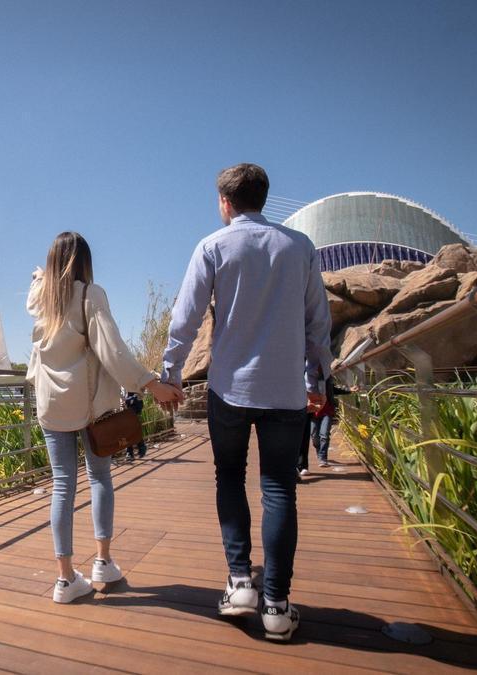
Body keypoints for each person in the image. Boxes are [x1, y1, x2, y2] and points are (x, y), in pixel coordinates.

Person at [160, 164, 331, 642]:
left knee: (229, 477)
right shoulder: (300, 247)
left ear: (225, 202)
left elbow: (185, 317)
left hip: (230, 390)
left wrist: (171, 374)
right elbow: (318, 320)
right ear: (264, 199)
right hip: (285, 391)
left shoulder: (212, 247)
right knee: (279, 489)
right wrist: (317, 377)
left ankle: (240, 584)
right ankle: (276, 605)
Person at [26, 231, 184, 604]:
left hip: (51, 406)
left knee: (63, 486)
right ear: (83, 261)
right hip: (87, 406)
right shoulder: (89, 296)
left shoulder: (39, 299)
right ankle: (102, 562)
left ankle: (64, 580)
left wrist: (40, 278)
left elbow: (39, 289)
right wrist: (150, 384)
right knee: (99, 477)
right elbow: (112, 350)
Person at [122, 392, 147, 460]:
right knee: (128, 433)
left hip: (134, 413)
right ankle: (132, 452)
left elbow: (139, 402)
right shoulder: (123, 389)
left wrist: (127, 400)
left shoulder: (135, 390)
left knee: (131, 432)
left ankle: (134, 451)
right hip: (125, 414)